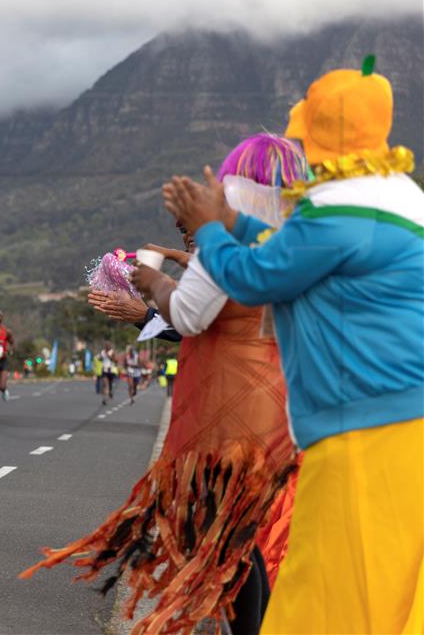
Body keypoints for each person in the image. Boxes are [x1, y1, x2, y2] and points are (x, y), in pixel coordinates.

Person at [164, 61, 423, 634]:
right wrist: (234, 224)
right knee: (391, 586)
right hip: (400, 421)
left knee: (329, 590)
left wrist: (208, 228)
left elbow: (257, 278)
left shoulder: (336, 210)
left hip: (361, 429)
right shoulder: (394, 198)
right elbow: (293, 252)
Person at [22, 134, 307, 635]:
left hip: (230, 413)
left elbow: (194, 313)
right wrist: (179, 261)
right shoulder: (289, 240)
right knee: (240, 541)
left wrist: (147, 288)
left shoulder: (227, 246)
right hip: (274, 410)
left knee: (227, 543)